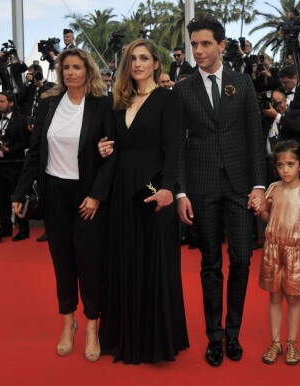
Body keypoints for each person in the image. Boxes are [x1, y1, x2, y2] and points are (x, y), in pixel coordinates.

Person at [173, 15, 266, 367]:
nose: (198, 50)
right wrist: (180, 193)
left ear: (222, 45)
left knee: (242, 258)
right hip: (201, 188)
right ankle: (215, 337)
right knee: (210, 264)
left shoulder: (242, 84)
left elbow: (256, 140)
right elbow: (178, 147)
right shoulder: (183, 88)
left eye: (206, 43)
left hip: (241, 187)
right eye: (194, 44)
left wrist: (259, 185)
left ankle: (233, 333)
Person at [12, 48, 115, 362]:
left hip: (87, 195)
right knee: (63, 261)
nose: (70, 72)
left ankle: (93, 326)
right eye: (66, 67)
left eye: (76, 67)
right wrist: (18, 193)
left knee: (90, 262)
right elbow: (34, 153)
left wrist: (97, 195)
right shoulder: (48, 105)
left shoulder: (102, 105)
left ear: (88, 71)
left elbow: (113, 155)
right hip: (54, 191)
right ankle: (68, 324)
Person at [96, 39, 189, 364]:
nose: (137, 63)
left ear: (156, 64)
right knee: (124, 259)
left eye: (144, 58)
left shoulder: (167, 98)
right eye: (133, 58)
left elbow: (174, 148)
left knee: (154, 262)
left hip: (154, 192)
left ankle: (155, 342)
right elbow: (115, 145)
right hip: (123, 191)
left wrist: (168, 189)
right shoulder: (119, 100)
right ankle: (125, 336)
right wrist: (105, 149)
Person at [251, 140, 300, 365]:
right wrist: (260, 210)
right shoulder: (273, 189)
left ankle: (292, 342)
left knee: (293, 299)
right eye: (280, 165)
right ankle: (275, 343)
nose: (285, 170)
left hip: (296, 251)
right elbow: (267, 218)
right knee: (274, 297)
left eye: (290, 164)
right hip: (273, 249)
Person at [0, 91, 31, 241]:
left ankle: (23, 229)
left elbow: (25, 142)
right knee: (1, 197)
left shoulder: (21, 119)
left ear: (11, 103)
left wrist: (10, 149)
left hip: (14, 164)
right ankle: (5, 227)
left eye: (2, 101)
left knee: (18, 196)